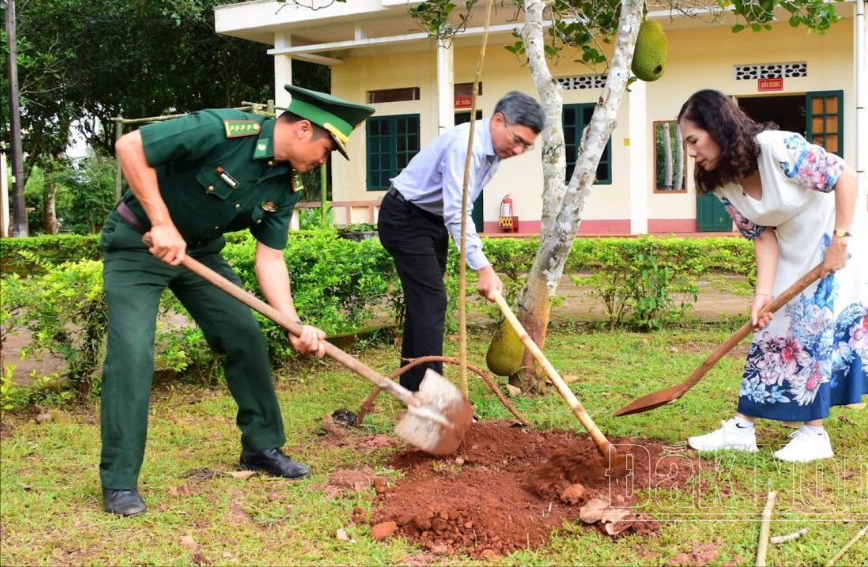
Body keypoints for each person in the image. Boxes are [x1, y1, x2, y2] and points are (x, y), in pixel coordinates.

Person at [98, 85, 374, 516]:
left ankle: (261, 447)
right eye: (325, 149)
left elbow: (271, 258)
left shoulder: (285, 186)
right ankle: (119, 481)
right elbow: (129, 145)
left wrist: (292, 323)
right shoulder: (223, 130)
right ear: (303, 129)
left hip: (200, 255)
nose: (324, 160)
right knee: (132, 353)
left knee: (244, 335)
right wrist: (162, 222)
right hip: (140, 242)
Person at [679, 89, 868, 462]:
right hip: (793, 248)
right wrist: (762, 295)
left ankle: (814, 435)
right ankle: (741, 429)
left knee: (811, 324)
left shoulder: (776, 148)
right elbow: (762, 236)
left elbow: (844, 177)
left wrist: (840, 240)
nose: (691, 151)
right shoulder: (721, 180)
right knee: (772, 327)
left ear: (717, 128)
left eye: (693, 140)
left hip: (840, 238)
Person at [378, 91, 544, 392]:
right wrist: (482, 267)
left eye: (526, 146)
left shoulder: (493, 153)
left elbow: (458, 208)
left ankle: (414, 389)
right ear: (497, 121)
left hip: (431, 220)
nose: (519, 150)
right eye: (517, 140)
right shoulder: (463, 146)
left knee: (423, 306)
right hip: (405, 217)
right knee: (432, 302)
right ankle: (432, 399)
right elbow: (457, 210)